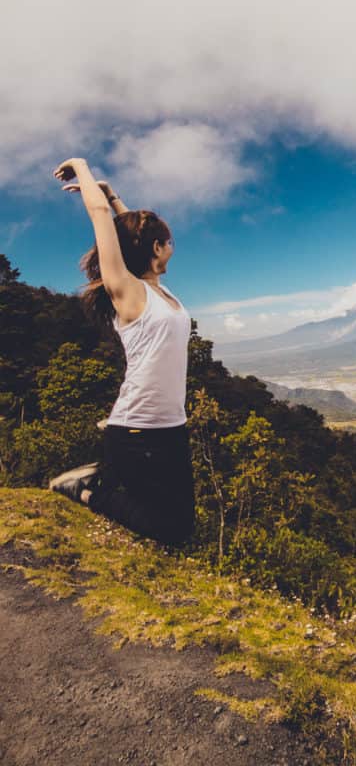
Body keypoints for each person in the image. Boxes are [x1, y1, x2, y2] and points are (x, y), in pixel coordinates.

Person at [48, 157, 195, 546]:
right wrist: (83, 169)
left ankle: (106, 474)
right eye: (169, 243)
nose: (172, 249)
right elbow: (105, 223)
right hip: (137, 429)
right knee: (170, 530)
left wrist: (114, 196)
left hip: (171, 427)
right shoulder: (129, 293)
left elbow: (135, 233)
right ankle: (87, 490)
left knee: (184, 524)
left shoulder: (160, 291)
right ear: (159, 248)